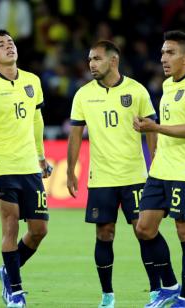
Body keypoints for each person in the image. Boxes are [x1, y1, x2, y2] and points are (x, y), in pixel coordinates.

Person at [66, 40, 160, 308]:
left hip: (135, 176)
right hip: (102, 178)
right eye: (89, 60)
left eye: (96, 59)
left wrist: (156, 165)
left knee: (144, 232)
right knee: (104, 234)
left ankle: (156, 290)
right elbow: (75, 135)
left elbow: (151, 129)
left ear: (113, 60)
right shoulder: (83, 94)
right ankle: (107, 295)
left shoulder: (137, 90)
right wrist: (70, 170)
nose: (91, 64)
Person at [0, 29, 52, 308]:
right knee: (10, 227)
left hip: (29, 166)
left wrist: (41, 157)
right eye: (1, 45)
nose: (8, 47)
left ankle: (8, 271)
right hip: (1, 166)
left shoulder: (32, 81)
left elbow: (36, 121)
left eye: (11, 42)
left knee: (40, 229)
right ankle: (15, 292)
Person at [133, 30, 185, 308]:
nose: (163, 58)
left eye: (170, 53)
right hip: (161, 170)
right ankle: (169, 285)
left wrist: (154, 127)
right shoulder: (168, 85)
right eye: (163, 53)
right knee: (143, 228)